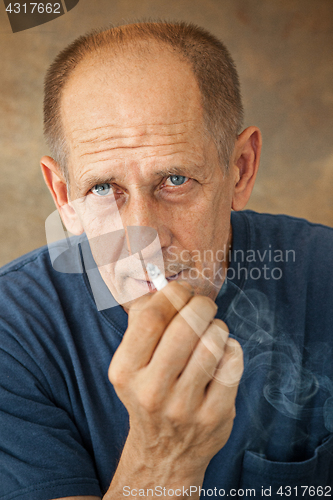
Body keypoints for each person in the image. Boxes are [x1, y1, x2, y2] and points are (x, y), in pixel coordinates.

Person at [0, 20, 332, 500]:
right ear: (64, 198)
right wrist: (163, 460)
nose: (144, 239)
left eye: (175, 180)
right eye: (101, 189)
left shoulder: (324, 275)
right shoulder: (12, 336)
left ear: (240, 169)